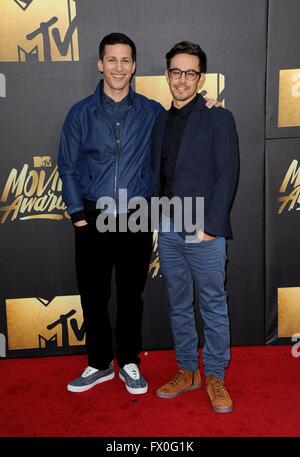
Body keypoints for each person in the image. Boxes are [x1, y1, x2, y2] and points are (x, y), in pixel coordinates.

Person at [58, 33, 219, 395]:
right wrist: (77, 215)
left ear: (133, 66)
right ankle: (99, 364)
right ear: (100, 64)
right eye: (111, 60)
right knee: (94, 296)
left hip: (136, 216)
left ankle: (129, 361)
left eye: (125, 60)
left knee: (131, 295)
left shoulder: (151, 112)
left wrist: (210, 108)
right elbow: (66, 165)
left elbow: (185, 125)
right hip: (93, 216)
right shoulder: (80, 113)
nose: (118, 67)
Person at [152, 41, 239, 412]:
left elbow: (228, 173)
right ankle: (188, 370)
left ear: (200, 77)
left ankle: (216, 374)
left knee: (213, 305)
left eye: (190, 72)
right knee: (178, 304)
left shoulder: (217, 116)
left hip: (201, 228)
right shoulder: (158, 118)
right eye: (176, 71)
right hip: (168, 227)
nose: (182, 79)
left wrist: (210, 227)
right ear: (167, 75)